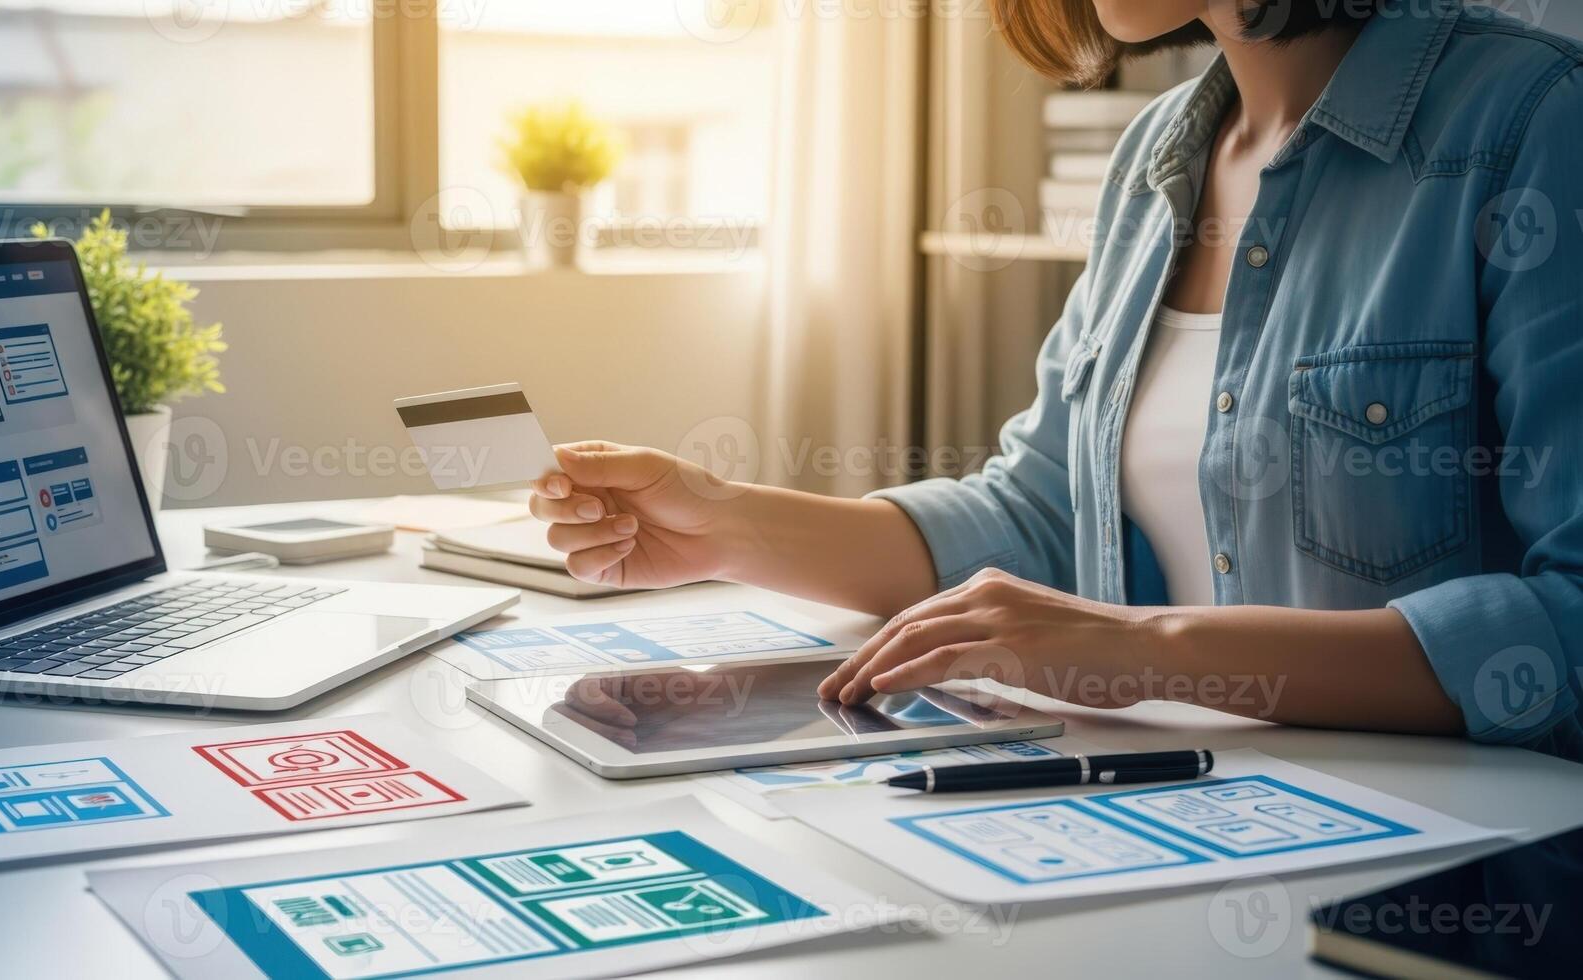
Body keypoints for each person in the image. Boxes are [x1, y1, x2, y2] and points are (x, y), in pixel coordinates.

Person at [528, 0, 1583, 762]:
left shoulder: (1533, 122)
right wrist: (718, 522)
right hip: (1180, 812)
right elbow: (1037, 518)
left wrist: (1148, 649)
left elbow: (1570, 616)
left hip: (1438, 868)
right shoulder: (1160, 153)